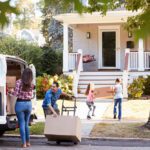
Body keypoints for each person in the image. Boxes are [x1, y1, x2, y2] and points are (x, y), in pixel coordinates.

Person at [8, 68, 34, 148]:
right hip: (29, 104)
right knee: (26, 124)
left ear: (23, 74)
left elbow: (15, 94)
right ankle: (28, 142)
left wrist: (10, 91)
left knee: (22, 123)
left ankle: (24, 143)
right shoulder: (31, 83)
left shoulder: (19, 82)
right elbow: (32, 95)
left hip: (20, 104)